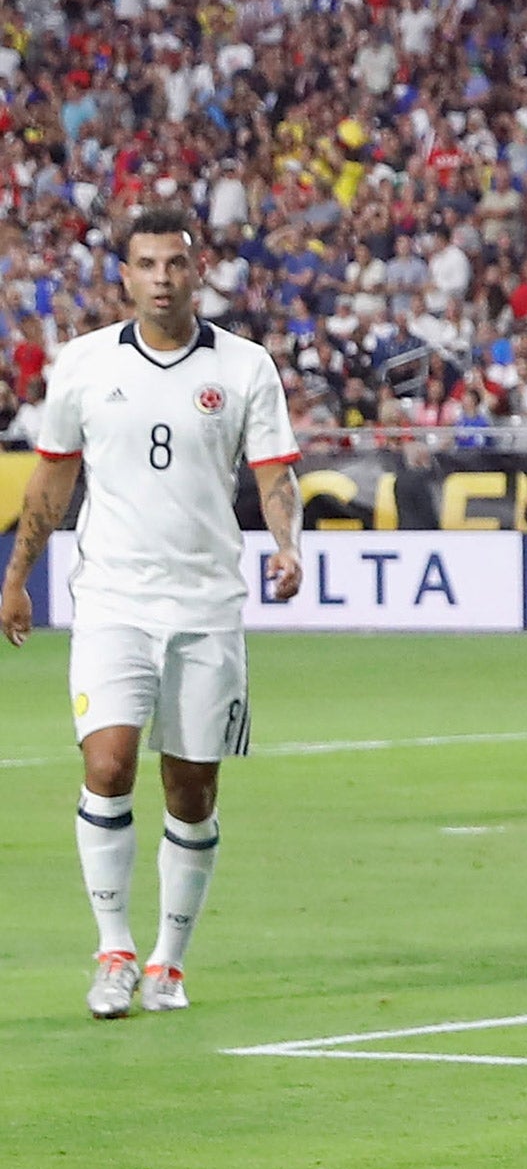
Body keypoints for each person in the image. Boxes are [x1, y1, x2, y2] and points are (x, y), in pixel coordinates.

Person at [0, 206, 304, 1019]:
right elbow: (53, 481)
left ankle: (169, 961)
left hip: (206, 605)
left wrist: (287, 545)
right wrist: (18, 573)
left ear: (196, 271)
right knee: (107, 766)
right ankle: (114, 951)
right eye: (147, 264)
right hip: (112, 599)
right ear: (124, 276)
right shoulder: (87, 363)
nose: (162, 278)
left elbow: (275, 473)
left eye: (176, 263)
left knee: (192, 788)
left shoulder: (244, 368)